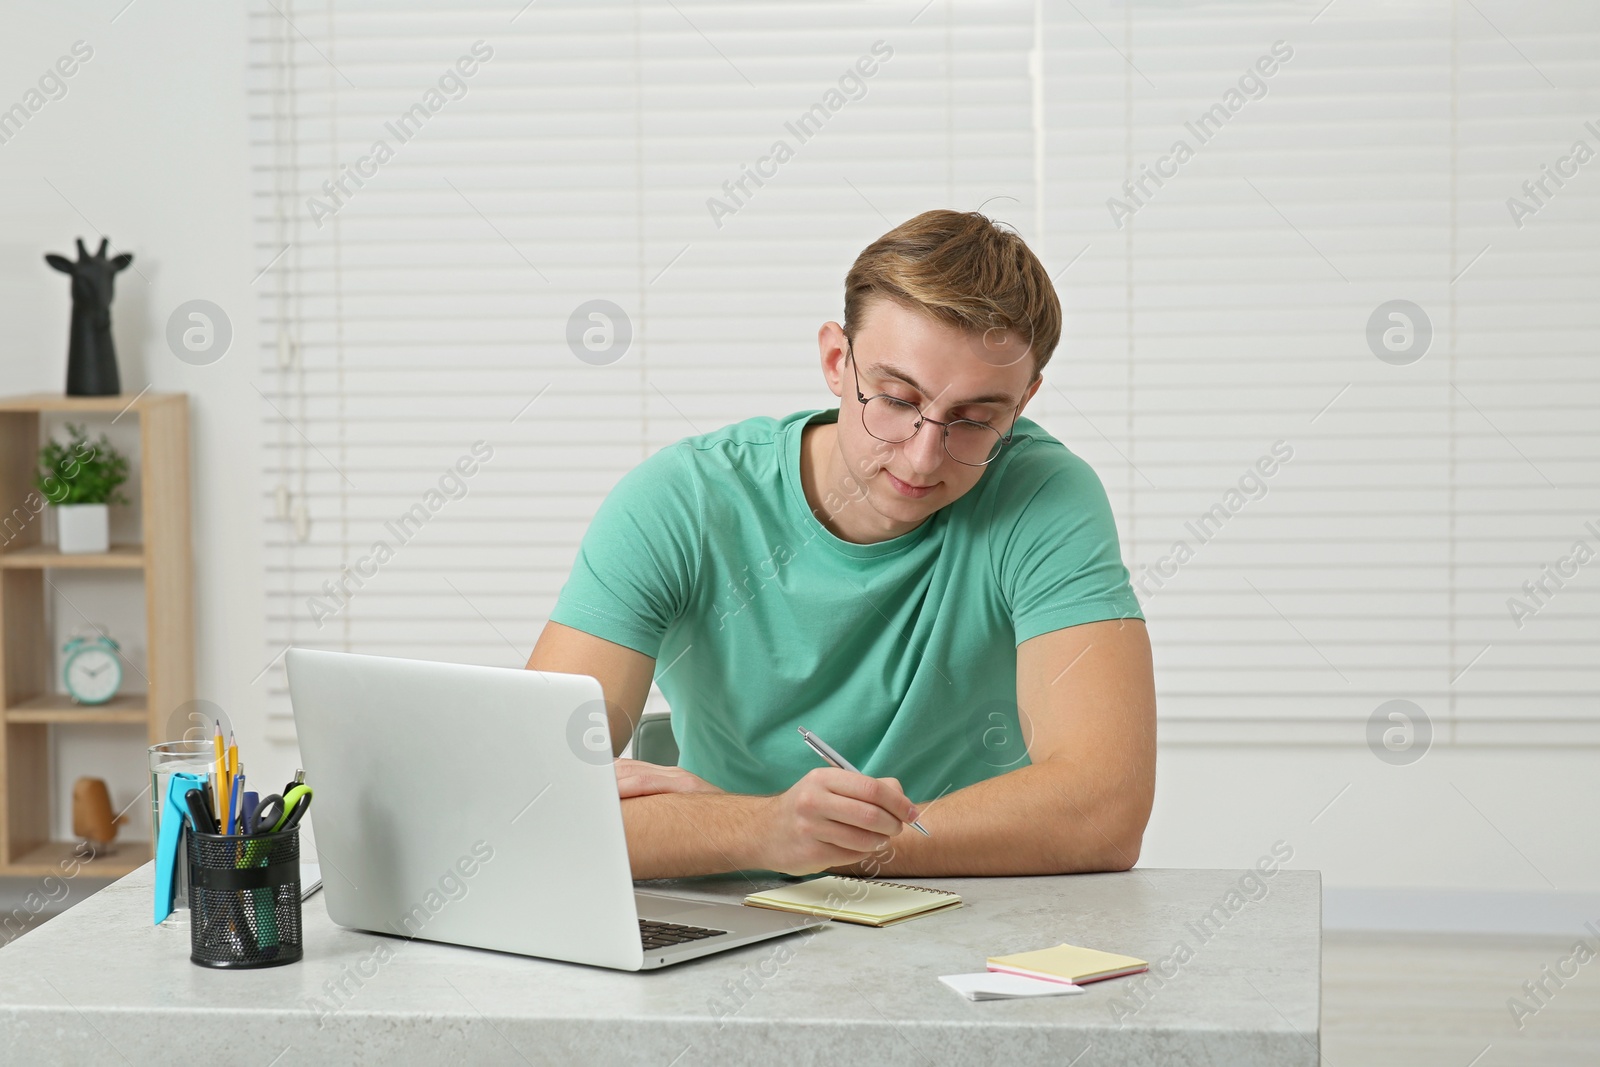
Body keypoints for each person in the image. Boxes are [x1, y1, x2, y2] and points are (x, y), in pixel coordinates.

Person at [527, 209, 1155, 880]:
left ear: (1023, 403)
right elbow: (526, 799)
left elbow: (1103, 810)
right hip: (734, 914)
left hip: (964, 909)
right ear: (836, 359)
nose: (922, 457)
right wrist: (762, 830)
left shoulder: (1043, 496)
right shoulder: (682, 502)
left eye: (976, 420)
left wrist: (822, 845)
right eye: (893, 397)